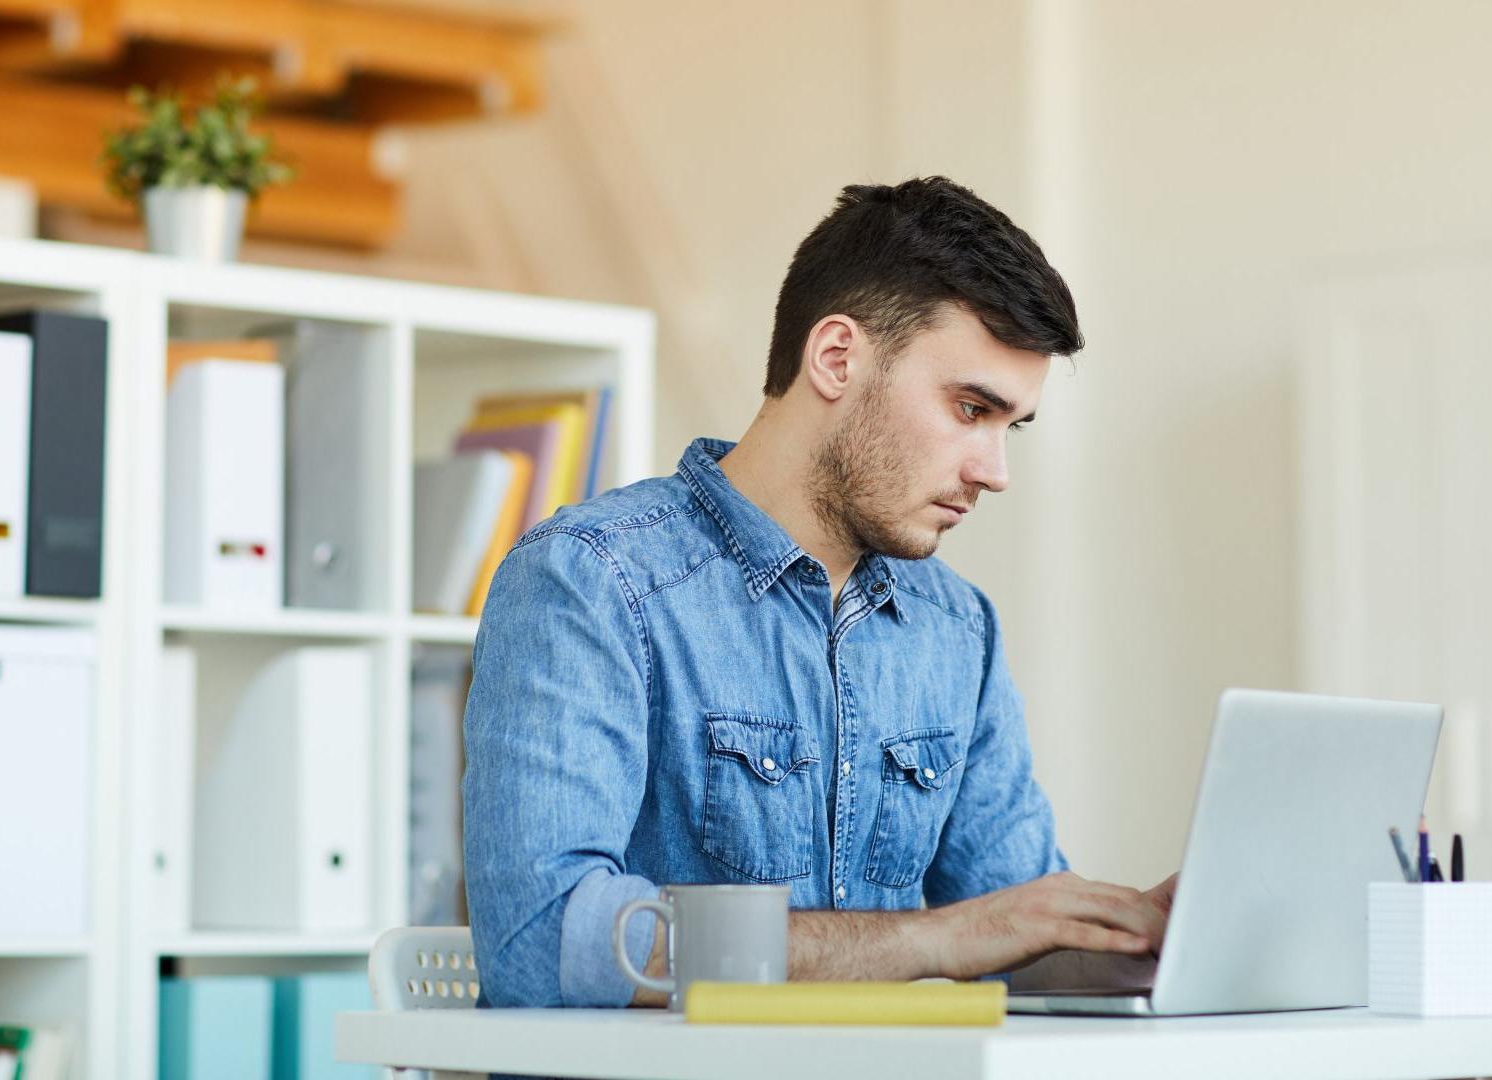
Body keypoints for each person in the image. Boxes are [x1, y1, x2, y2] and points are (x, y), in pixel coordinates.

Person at [462, 176, 1176, 1008]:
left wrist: (1145, 938)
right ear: (836, 358)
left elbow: (1016, 932)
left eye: (1007, 425)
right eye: (970, 408)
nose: (995, 471)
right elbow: (544, 941)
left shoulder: (956, 629)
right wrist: (936, 937)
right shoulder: (592, 581)